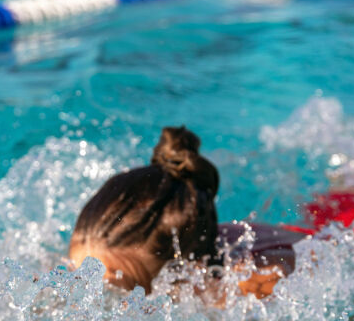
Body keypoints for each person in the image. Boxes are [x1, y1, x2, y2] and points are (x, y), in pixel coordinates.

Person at [68, 126, 307, 300]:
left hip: (322, 235)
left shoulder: (256, 287)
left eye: (110, 292)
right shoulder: (122, 250)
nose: (86, 297)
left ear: (182, 279)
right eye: (79, 276)